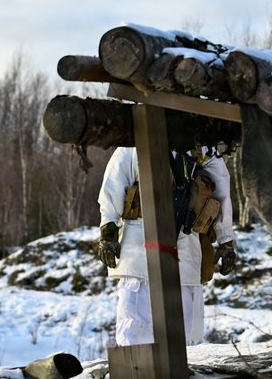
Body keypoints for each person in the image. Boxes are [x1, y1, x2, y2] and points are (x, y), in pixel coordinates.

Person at [96, 145, 237, 346]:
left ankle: (174, 376)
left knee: (179, 338)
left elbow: (222, 195)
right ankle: (137, 376)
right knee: (135, 335)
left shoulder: (202, 149)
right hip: (141, 249)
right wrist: (108, 234)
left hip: (184, 249)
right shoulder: (135, 143)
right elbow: (113, 187)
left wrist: (226, 240)